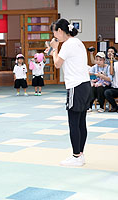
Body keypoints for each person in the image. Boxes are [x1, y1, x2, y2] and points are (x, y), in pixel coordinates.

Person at [47, 18, 90, 167]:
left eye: (54, 33)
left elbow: (57, 64)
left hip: (75, 86)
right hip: (85, 85)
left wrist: (54, 49)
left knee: (73, 122)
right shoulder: (77, 42)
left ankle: (76, 156)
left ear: (59, 31)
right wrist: (55, 50)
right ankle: (80, 154)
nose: (54, 37)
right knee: (81, 122)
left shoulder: (67, 44)